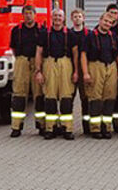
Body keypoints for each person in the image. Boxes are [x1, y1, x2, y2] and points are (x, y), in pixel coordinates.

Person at [35, 9, 79, 140]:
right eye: (55, 16)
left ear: (64, 18)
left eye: (60, 16)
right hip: (49, 64)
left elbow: (76, 54)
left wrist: (76, 71)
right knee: (50, 97)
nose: (57, 18)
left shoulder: (70, 34)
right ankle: (50, 128)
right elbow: (38, 53)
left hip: (66, 64)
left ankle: (67, 128)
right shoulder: (44, 34)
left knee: (66, 97)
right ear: (51, 17)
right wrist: (38, 71)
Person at [81, 12, 118, 139]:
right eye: (105, 21)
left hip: (111, 67)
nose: (107, 24)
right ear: (100, 20)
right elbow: (83, 55)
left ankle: (106, 127)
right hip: (95, 66)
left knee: (109, 98)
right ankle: (95, 128)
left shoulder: (113, 36)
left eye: (110, 23)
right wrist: (85, 73)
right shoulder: (90, 36)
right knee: (95, 98)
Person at [9, 5, 45, 137]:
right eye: (26, 13)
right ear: (22, 15)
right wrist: (21, 60)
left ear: (35, 15)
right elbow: (13, 48)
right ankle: (16, 127)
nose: (28, 15)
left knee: (39, 94)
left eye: (31, 13)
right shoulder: (16, 30)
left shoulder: (41, 30)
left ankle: (42, 125)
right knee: (19, 94)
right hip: (22, 61)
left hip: (37, 63)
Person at [69, 8, 90, 135]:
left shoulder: (89, 34)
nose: (77, 19)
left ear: (83, 18)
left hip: (85, 70)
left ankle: (86, 127)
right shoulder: (68, 33)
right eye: (75, 16)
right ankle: (68, 127)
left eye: (79, 16)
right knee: (68, 98)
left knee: (85, 98)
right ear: (71, 19)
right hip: (69, 69)